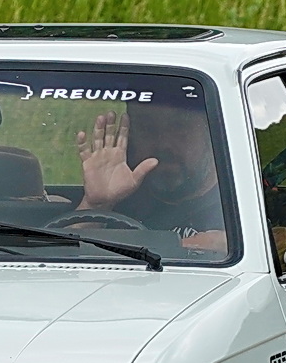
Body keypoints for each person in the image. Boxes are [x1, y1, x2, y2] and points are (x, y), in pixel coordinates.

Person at [73, 104, 226, 252]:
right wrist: (96, 206)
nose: (164, 143)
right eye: (147, 128)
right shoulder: (119, 200)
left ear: (209, 133)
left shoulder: (239, 208)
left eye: (179, 127)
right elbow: (61, 256)